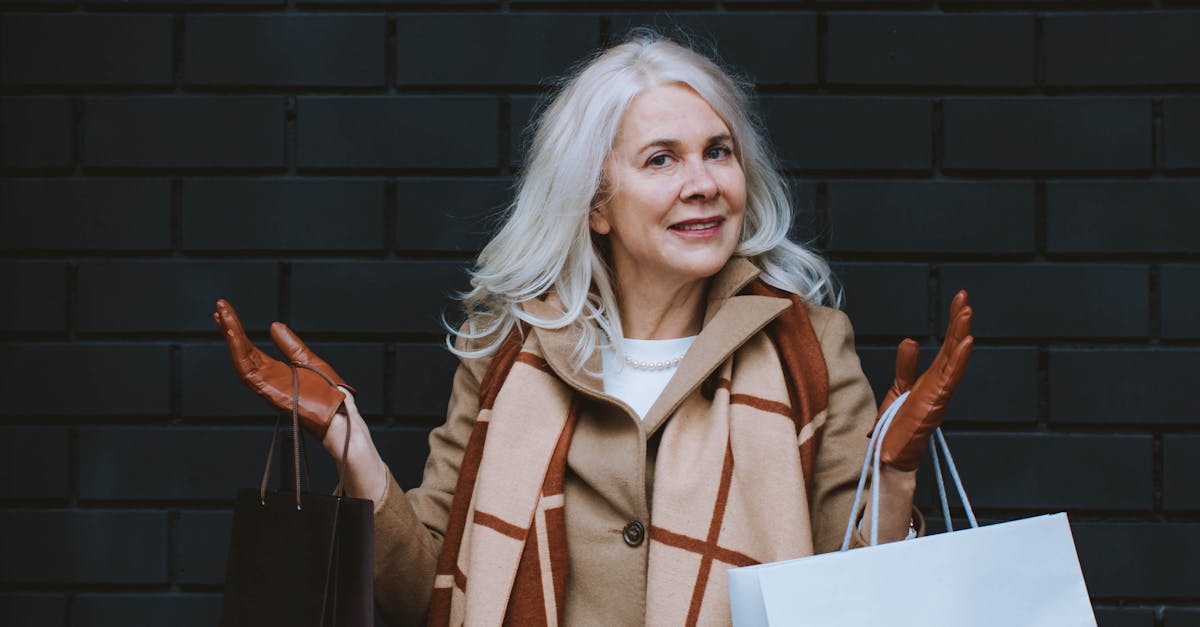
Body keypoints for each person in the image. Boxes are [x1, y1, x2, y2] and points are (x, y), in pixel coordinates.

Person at [213, 31, 974, 627]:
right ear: (597, 205)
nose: (703, 182)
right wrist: (352, 445)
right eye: (661, 159)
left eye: (718, 152)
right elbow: (429, 593)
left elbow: (852, 593)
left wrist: (894, 472)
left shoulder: (808, 343)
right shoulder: (513, 352)